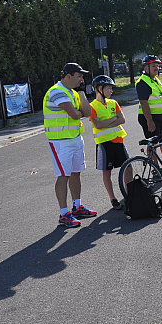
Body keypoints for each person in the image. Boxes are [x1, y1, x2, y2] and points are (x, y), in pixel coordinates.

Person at [43, 62, 97, 227]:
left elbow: (87, 113)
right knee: (63, 176)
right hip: (60, 142)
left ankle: (77, 206)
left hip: (74, 138)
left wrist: (81, 97)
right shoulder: (56, 92)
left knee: (76, 173)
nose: (81, 80)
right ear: (68, 76)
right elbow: (74, 115)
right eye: (79, 76)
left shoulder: (72, 93)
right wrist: (79, 111)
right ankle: (64, 214)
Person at [89, 75, 131, 210]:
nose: (111, 91)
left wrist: (106, 122)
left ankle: (129, 195)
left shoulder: (114, 103)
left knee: (128, 167)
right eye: (109, 88)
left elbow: (122, 119)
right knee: (107, 172)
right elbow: (98, 124)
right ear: (100, 88)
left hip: (119, 141)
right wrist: (113, 120)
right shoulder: (92, 106)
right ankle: (113, 199)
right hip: (104, 144)